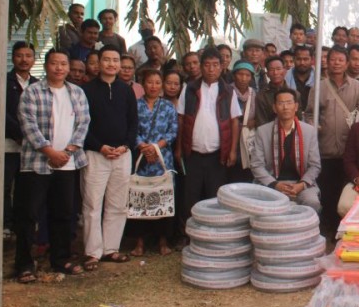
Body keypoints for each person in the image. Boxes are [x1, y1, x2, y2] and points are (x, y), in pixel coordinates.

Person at [13, 49, 91, 282]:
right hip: (37, 163)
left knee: (63, 214)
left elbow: (83, 123)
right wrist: (49, 151)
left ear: (68, 67)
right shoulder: (32, 92)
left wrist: (68, 151)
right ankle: (25, 265)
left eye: (63, 64)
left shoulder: (76, 92)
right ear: (46, 66)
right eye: (54, 63)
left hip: (67, 163)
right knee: (29, 215)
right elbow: (28, 125)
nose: (59, 68)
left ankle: (61, 259)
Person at [81, 45, 139, 269]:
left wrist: (125, 146)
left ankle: (111, 249)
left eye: (116, 60)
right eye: (107, 60)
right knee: (93, 204)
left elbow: (133, 122)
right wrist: (100, 146)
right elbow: (82, 125)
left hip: (122, 155)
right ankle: (92, 252)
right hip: (96, 154)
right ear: (98, 62)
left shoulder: (126, 90)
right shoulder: (86, 90)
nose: (112, 64)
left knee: (118, 204)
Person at [176, 47, 242, 244]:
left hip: (217, 153)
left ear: (222, 67)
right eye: (207, 65)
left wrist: (232, 151)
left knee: (214, 196)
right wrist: (179, 148)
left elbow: (234, 122)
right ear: (201, 67)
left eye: (215, 65)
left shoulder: (228, 90)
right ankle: (188, 236)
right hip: (193, 152)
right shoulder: (189, 89)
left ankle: (213, 235)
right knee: (190, 195)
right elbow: (181, 119)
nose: (211, 69)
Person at [305, 47, 359, 239]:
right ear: (327, 61)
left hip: (350, 151)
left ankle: (348, 229)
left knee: (347, 191)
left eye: (341, 60)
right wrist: (313, 124)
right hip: (324, 148)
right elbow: (309, 113)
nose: (336, 63)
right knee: (327, 191)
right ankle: (328, 229)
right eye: (333, 60)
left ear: (347, 63)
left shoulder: (358, 87)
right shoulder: (319, 87)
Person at [127, 69, 177, 257]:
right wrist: (143, 146)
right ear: (143, 84)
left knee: (163, 197)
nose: (154, 86)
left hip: (162, 158)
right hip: (141, 158)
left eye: (157, 82)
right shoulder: (135, 105)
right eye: (150, 82)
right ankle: (139, 242)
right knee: (140, 198)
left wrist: (156, 147)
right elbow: (131, 128)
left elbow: (173, 131)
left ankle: (162, 241)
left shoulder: (168, 106)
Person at [248, 89, 322, 212]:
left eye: (289, 103)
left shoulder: (309, 131)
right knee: (265, 207)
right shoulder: (263, 131)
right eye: (281, 103)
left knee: (312, 202)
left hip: (300, 183)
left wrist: (300, 185)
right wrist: (276, 185)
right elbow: (256, 165)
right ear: (274, 108)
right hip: (272, 183)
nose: (285, 107)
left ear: (296, 106)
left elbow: (315, 166)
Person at [5, 42, 39, 236]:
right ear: (13, 58)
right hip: (9, 143)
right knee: (6, 185)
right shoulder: (4, 81)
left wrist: (30, 136)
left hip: (31, 145)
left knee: (26, 186)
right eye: (19, 55)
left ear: (34, 59)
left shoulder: (37, 84)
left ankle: (23, 223)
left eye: (28, 56)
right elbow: (1, 112)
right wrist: (19, 133)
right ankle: (6, 224)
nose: (24, 60)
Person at [253, 56, 290, 127]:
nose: (275, 73)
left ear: (284, 71)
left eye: (278, 69)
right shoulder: (261, 96)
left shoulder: (294, 94)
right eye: (272, 70)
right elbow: (261, 123)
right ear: (267, 74)